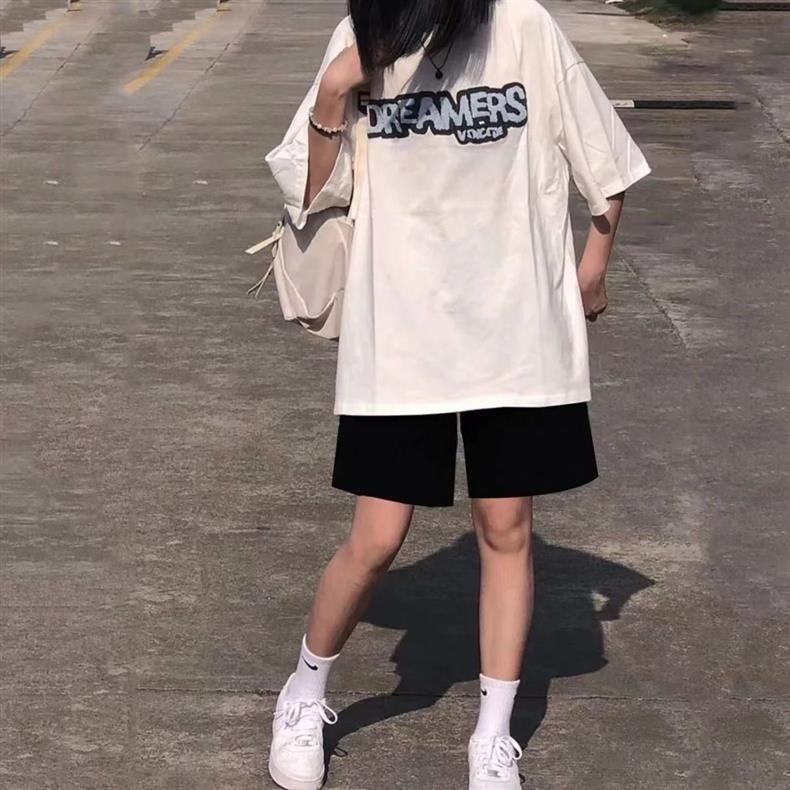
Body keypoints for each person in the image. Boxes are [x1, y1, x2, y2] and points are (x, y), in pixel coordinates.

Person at [264, 0, 651, 788]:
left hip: (515, 331)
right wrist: (336, 90)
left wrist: (593, 266)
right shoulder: (363, 34)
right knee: (377, 538)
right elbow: (309, 194)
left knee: (506, 528)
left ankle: (492, 735)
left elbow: (604, 161)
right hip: (399, 330)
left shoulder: (523, 26)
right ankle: (304, 692)